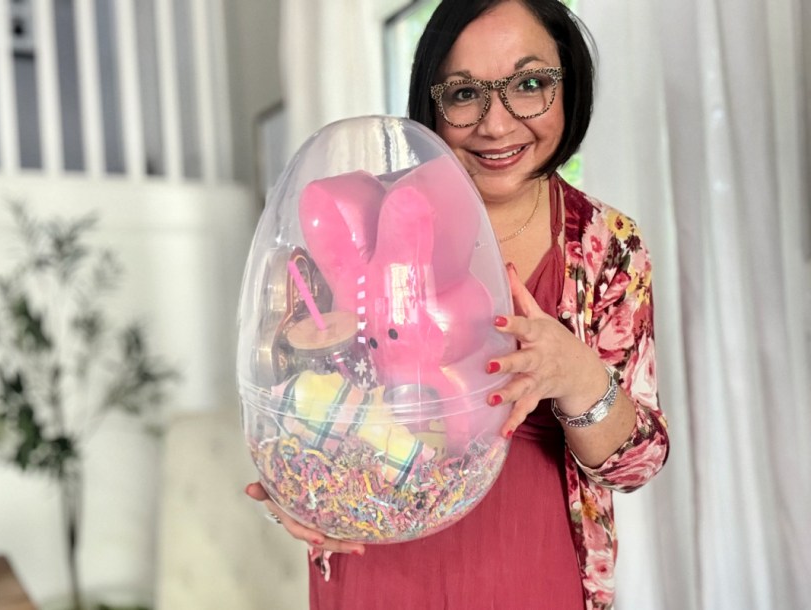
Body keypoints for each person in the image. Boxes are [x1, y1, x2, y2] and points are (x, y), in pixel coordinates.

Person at [246, 0, 670, 608]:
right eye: (465, 93)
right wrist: (291, 487)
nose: (497, 124)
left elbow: (636, 464)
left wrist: (575, 374)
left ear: (568, 86)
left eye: (530, 85)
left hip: (530, 569)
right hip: (378, 565)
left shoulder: (605, 244)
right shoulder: (359, 219)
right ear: (432, 104)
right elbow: (290, 394)